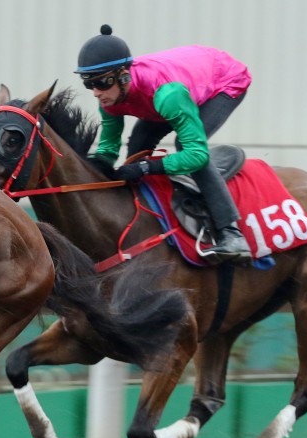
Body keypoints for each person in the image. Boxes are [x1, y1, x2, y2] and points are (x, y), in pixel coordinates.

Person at [76, 24, 252, 262]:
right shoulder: (109, 99)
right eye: (89, 84)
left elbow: (197, 155)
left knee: (185, 146)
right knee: (137, 142)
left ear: (123, 75)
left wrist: (148, 167)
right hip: (170, 88)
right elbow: (108, 149)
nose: (96, 92)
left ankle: (231, 233)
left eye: (101, 83)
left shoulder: (168, 95)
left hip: (222, 82)